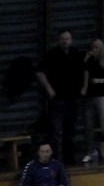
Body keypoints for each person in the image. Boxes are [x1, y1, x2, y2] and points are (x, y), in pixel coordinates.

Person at [35, 28, 87, 164]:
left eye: (67, 39)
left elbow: (84, 70)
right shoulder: (52, 55)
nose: (65, 41)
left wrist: (84, 87)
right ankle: (54, 160)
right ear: (58, 40)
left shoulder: (76, 54)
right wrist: (49, 88)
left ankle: (70, 160)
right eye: (62, 39)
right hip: (58, 98)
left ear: (71, 40)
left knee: (70, 131)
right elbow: (40, 72)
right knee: (55, 131)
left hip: (73, 97)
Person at [81, 39, 104, 163]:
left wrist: (101, 80)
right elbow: (83, 73)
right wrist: (86, 59)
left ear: (101, 48)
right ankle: (90, 152)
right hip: (89, 96)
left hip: (103, 95)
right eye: (92, 47)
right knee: (88, 126)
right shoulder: (88, 61)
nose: (94, 49)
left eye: (96, 47)